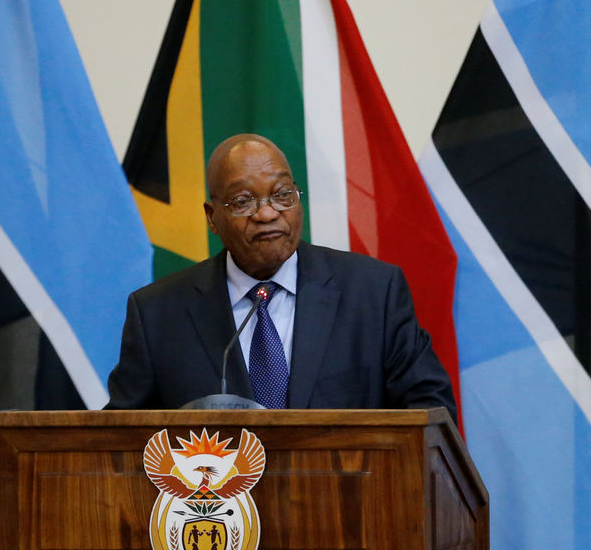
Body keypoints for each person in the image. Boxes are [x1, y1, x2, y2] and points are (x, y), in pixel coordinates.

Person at [105, 134, 456, 421]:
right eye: (243, 201)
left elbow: (430, 413)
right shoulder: (157, 313)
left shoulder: (373, 293)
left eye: (282, 194)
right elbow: (118, 438)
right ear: (212, 218)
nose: (268, 213)